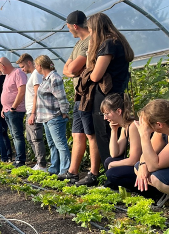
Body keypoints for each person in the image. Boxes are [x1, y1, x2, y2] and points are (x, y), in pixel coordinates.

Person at [86, 12, 134, 180]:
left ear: (96, 29)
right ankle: (116, 175)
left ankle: (112, 176)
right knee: (115, 133)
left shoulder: (108, 44)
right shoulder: (118, 42)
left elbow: (95, 76)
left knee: (104, 134)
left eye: (91, 30)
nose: (90, 33)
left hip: (106, 96)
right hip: (117, 94)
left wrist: (90, 53)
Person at [60, 11, 98, 185]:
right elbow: (66, 69)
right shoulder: (79, 45)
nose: (69, 31)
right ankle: (72, 172)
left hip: (88, 95)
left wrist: (71, 70)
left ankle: (93, 173)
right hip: (78, 95)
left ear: (75, 26)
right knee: (77, 134)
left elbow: (73, 69)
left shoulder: (89, 42)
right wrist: (70, 70)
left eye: (69, 28)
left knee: (91, 135)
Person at [35, 55, 71, 176]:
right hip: (46, 117)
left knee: (60, 144)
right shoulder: (45, 79)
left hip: (55, 116)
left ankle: (65, 170)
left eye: (36, 65)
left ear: (40, 66)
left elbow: (61, 97)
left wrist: (64, 112)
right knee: (52, 144)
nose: (35, 68)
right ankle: (54, 168)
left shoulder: (54, 78)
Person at [100, 94, 141, 190]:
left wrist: (112, 165)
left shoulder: (133, 126)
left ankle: (145, 191)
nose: (105, 118)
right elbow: (115, 153)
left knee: (112, 173)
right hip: (136, 164)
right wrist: (114, 130)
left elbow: (134, 160)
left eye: (107, 113)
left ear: (118, 111)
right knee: (108, 161)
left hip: (142, 167)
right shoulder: (125, 127)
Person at [17, 54, 47, 171]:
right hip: (30, 111)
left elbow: (37, 95)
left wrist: (33, 113)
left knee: (36, 138)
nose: (22, 70)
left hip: (33, 111)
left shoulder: (36, 75)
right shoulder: (33, 76)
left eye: (23, 66)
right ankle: (39, 163)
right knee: (30, 138)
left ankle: (42, 164)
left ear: (29, 63)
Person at [134, 99, 169, 199]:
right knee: (138, 167)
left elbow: (154, 166)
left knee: (156, 178)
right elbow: (146, 155)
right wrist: (143, 165)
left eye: (148, 125)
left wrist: (144, 135)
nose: (145, 127)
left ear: (159, 124)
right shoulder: (162, 130)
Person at [0, 57, 28, 168]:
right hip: (7, 111)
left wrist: (14, 107)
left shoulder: (18, 73)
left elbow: (22, 91)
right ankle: (18, 159)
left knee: (17, 135)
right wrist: (3, 108)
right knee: (14, 136)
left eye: (0, 68)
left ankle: (20, 160)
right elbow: (7, 93)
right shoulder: (7, 76)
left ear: (3, 66)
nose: (0, 71)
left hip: (16, 111)